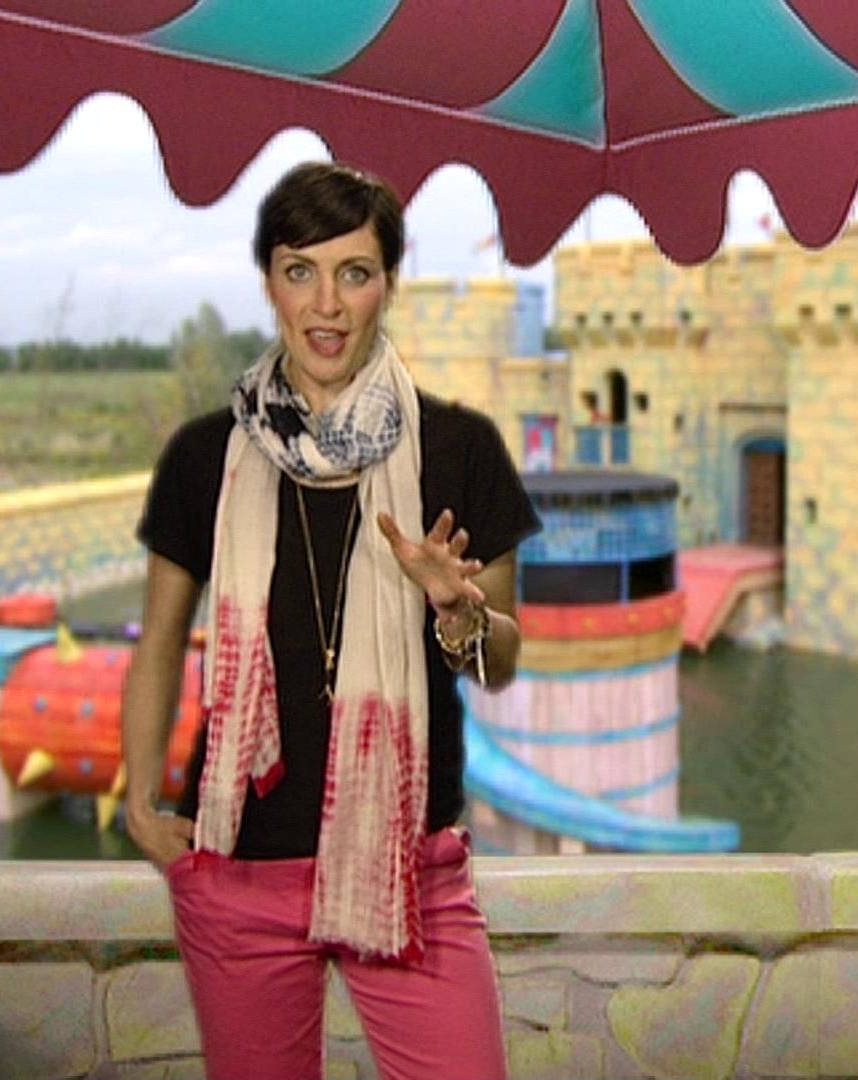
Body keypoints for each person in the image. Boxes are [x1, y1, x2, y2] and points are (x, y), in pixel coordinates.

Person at [120, 161, 539, 1080]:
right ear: (269, 281)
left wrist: (459, 610)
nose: (327, 303)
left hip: (410, 870)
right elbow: (159, 643)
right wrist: (140, 805)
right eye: (299, 270)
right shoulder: (204, 456)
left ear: (387, 284)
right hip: (240, 871)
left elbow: (502, 660)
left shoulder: (461, 450)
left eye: (355, 273)